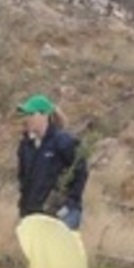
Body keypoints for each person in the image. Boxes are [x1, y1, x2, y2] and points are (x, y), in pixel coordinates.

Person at [15, 94, 89, 230]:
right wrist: (24, 210)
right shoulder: (26, 146)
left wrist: (69, 203)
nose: (27, 119)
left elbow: (80, 171)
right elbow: (23, 179)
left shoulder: (64, 142)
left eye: (31, 114)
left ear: (44, 116)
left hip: (63, 212)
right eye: (26, 114)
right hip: (35, 213)